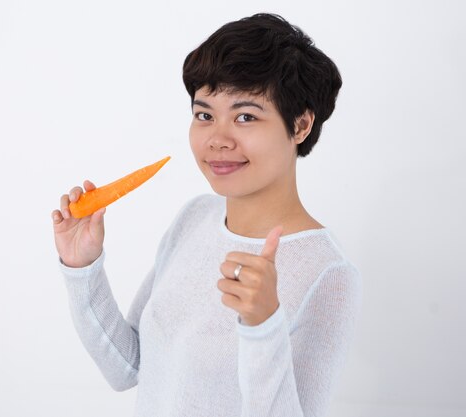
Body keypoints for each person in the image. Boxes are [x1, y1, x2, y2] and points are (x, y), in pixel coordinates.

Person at [51, 13, 361, 417]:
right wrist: (83, 268)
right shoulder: (194, 218)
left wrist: (263, 324)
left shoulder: (327, 272)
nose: (217, 139)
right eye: (204, 114)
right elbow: (126, 368)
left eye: (246, 116)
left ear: (300, 124)